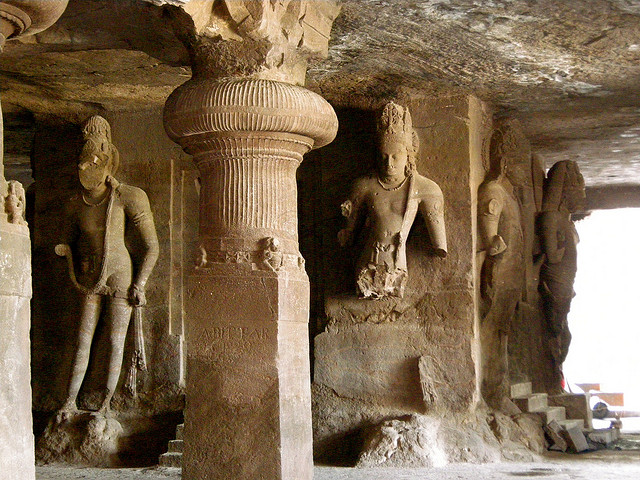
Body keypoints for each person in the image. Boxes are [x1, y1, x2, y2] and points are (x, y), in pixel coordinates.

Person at [56, 115, 159, 415]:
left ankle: (105, 406)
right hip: (89, 275)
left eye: (96, 160)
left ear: (108, 160)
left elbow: (152, 247)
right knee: (82, 340)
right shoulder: (75, 203)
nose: (88, 168)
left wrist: (140, 284)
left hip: (120, 275)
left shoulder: (128, 196)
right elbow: (66, 240)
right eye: (85, 161)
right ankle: (69, 403)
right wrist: (65, 251)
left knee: (116, 342)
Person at [338, 102, 447, 299]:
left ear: (408, 156)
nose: (389, 163)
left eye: (396, 157)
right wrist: (347, 227)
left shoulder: (426, 189)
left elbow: (439, 242)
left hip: (397, 266)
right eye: (383, 156)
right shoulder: (364, 186)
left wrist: (439, 243)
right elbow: (348, 236)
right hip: (367, 264)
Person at [477, 125, 525, 407]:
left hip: (511, 273)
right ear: (505, 162)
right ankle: (492, 391)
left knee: (502, 331)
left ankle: (499, 391)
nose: (523, 173)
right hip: (500, 271)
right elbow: (490, 236)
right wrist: (495, 242)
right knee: (493, 330)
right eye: (518, 164)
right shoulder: (493, 190)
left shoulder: (508, 194)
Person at [538, 160, 585, 390]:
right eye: (579, 192)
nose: (582, 198)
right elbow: (552, 255)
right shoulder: (551, 218)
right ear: (565, 193)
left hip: (566, 283)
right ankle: (552, 379)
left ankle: (554, 379)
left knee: (562, 335)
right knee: (557, 333)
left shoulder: (565, 221)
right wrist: (563, 247)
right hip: (556, 281)